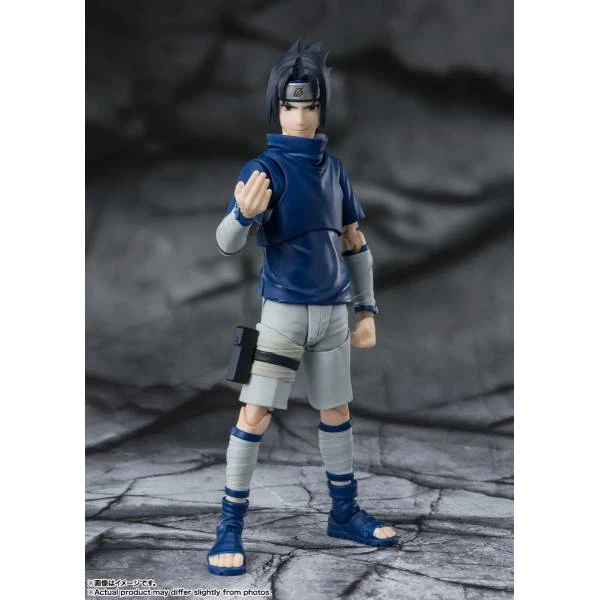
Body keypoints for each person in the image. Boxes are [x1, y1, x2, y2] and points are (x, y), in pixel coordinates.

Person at [208, 40, 398, 577]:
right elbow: (225, 243)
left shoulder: (334, 170)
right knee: (255, 414)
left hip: (333, 314)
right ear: (277, 108)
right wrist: (242, 216)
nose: (300, 116)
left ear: (321, 109)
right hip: (283, 316)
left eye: (310, 105)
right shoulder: (264, 169)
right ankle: (229, 525)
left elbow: (355, 243)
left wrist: (367, 311)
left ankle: (344, 513)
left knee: (336, 413)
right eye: (290, 106)